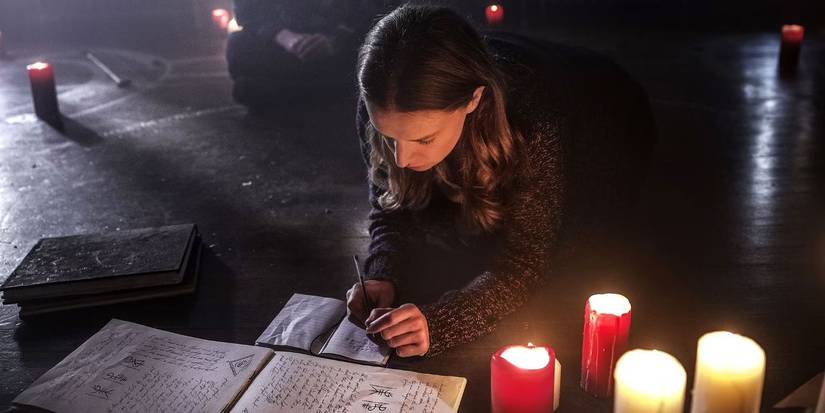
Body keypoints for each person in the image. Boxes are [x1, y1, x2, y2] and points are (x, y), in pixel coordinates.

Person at [346, 5, 656, 358]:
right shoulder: (385, 102)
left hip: (607, 110)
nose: (400, 158)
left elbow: (524, 263)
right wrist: (384, 274)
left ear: (473, 100)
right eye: (389, 138)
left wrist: (439, 324)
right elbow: (390, 209)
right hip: (513, 66)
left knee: (571, 256)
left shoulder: (533, 125)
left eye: (424, 139)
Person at [226, 0, 390, 108]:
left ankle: (291, 93)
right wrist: (286, 38)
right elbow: (249, 13)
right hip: (288, 44)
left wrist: (337, 41)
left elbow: (374, 12)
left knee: (380, 52)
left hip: (346, 43)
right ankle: (328, 92)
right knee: (238, 46)